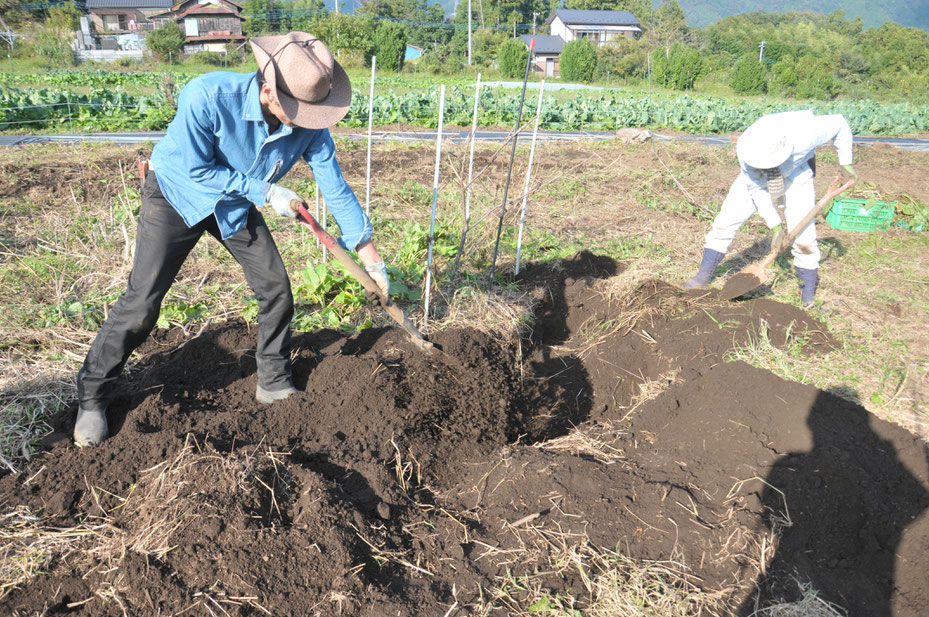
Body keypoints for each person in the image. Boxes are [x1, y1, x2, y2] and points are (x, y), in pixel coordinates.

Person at [73, 32, 390, 447]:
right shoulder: (206, 95)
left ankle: (273, 380)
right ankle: (93, 397)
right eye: (297, 111)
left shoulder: (310, 127)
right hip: (176, 193)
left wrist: (371, 259)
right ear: (267, 91)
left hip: (234, 205)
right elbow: (196, 171)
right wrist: (267, 192)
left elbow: (336, 188)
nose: (305, 122)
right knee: (143, 301)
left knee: (275, 286)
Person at [680, 110, 857, 305]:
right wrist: (775, 226)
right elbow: (756, 190)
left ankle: (807, 299)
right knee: (726, 221)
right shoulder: (747, 149)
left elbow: (840, 123)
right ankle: (702, 278)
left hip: (796, 173)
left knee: (805, 240)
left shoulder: (806, 134)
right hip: (755, 179)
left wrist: (845, 162)